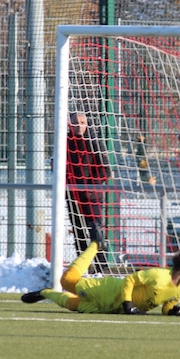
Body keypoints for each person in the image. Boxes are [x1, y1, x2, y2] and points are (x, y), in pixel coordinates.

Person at [21, 242, 180, 316]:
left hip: (112, 309)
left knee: (72, 305)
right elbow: (130, 280)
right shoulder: (158, 275)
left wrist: (173, 311)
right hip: (107, 291)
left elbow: (167, 305)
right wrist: (128, 303)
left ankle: (45, 293)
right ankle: (95, 244)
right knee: (67, 281)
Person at [65, 112, 109, 271]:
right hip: (72, 195)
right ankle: (82, 265)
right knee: (78, 229)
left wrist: (90, 184)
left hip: (92, 195)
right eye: (75, 123)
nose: (79, 126)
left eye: (82, 122)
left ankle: (101, 266)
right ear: (70, 124)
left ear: (87, 124)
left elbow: (105, 170)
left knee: (95, 229)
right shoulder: (65, 143)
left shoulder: (94, 143)